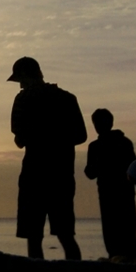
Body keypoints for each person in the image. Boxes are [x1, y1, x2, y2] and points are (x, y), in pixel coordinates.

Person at [8, 57, 87, 260]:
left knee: (33, 237)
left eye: (21, 80)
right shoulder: (68, 98)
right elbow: (81, 136)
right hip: (61, 176)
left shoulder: (23, 100)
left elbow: (19, 138)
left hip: (34, 176)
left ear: (27, 76)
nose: (21, 85)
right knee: (66, 235)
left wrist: (38, 135)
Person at [84, 109, 136, 259]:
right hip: (120, 194)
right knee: (124, 235)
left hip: (114, 195)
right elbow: (133, 167)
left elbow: (90, 172)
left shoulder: (97, 146)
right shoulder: (124, 143)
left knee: (114, 235)